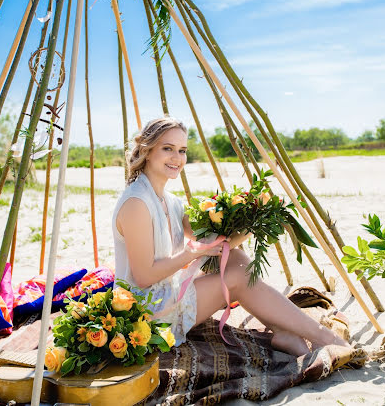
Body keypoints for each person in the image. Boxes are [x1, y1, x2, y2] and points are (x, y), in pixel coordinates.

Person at [113, 116, 351, 356]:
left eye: (182, 150)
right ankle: (324, 337)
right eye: (168, 148)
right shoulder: (137, 203)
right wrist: (190, 254)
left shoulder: (170, 201)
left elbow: (219, 244)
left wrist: (252, 219)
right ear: (147, 149)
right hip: (145, 314)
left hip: (164, 294)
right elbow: (143, 277)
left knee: (236, 259)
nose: (177, 158)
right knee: (237, 275)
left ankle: (285, 333)